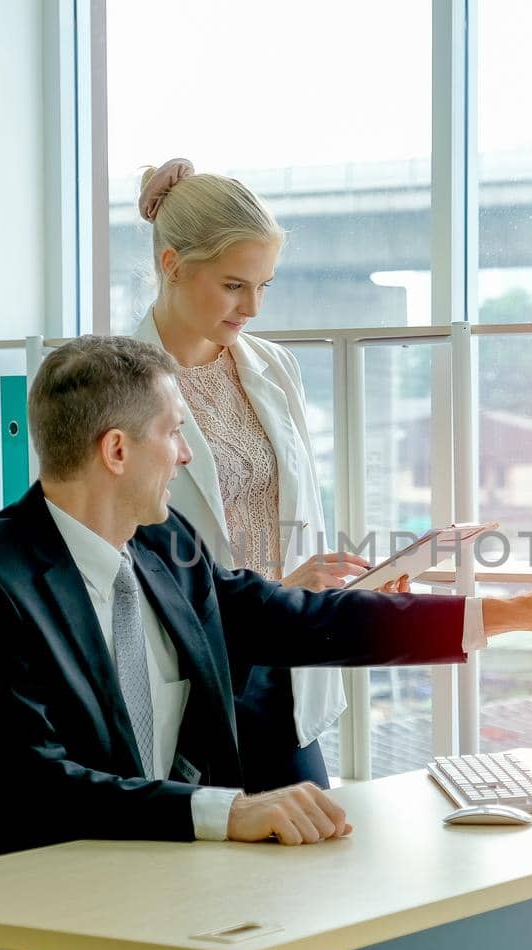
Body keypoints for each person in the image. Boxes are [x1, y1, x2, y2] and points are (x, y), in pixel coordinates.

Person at [0, 335, 532, 868]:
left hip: (152, 875)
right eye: (174, 433)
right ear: (116, 451)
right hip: (17, 903)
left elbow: (303, 621)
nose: (186, 454)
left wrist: (522, 612)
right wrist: (227, 810)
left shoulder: (164, 544)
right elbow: (29, 786)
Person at [131, 158, 362, 794]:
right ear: (173, 264)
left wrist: (315, 586)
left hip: (283, 673)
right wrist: (274, 590)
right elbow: (117, 563)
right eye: (235, 285)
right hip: (194, 680)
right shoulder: (117, 383)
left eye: (265, 287)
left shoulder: (273, 368)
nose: (253, 307)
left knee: (310, 863)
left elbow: (294, 507)